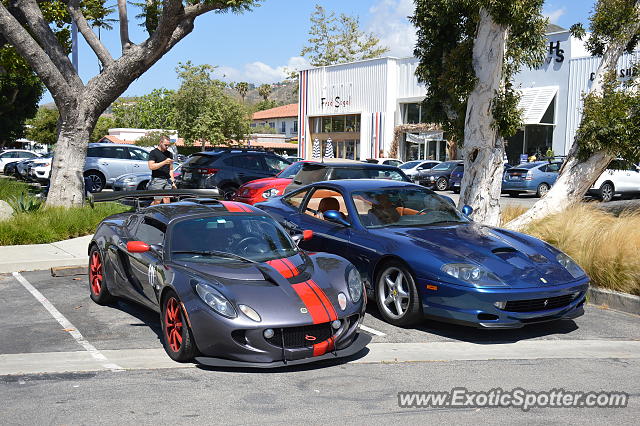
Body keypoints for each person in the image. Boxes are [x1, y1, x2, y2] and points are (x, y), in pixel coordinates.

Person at [147, 135, 175, 205]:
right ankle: (149, 211)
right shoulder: (153, 152)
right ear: (160, 142)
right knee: (158, 201)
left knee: (167, 199)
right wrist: (164, 162)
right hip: (157, 179)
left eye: (168, 145)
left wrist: (173, 182)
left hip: (167, 179)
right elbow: (151, 166)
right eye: (165, 145)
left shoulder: (169, 154)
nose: (167, 147)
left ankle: (167, 214)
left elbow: (171, 169)